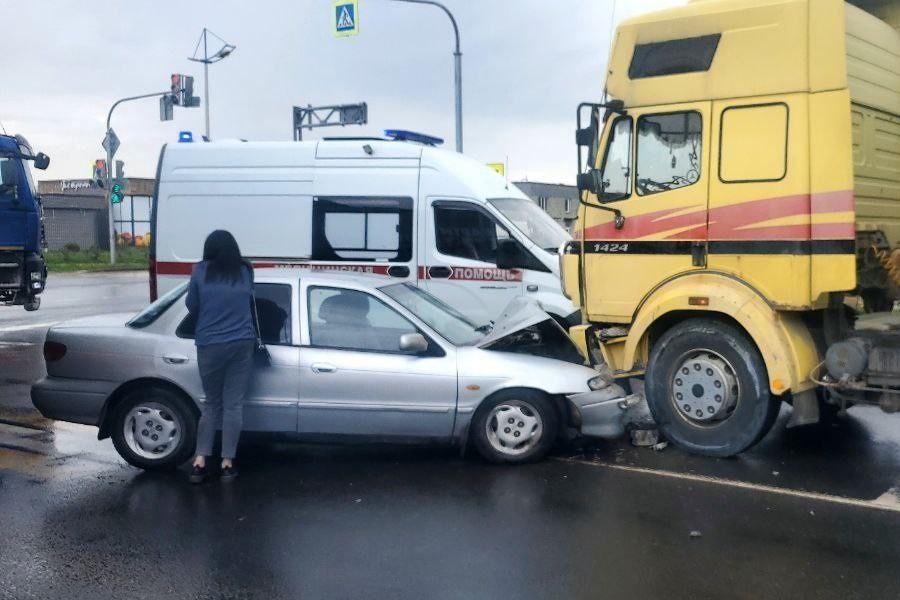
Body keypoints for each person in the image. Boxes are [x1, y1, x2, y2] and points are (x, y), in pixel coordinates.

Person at [186, 230, 256, 483]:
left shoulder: (199, 271)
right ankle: (227, 462)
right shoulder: (245, 270)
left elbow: (191, 304)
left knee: (212, 403)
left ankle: (200, 460)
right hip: (241, 343)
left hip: (210, 344)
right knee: (233, 404)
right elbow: (249, 298)